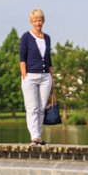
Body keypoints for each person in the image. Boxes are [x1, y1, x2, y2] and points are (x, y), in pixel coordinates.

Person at [20, 9, 54, 146]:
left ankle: (38, 136)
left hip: (46, 77)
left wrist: (53, 80)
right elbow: (22, 58)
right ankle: (34, 136)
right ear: (31, 22)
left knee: (41, 108)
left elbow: (49, 60)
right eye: (35, 21)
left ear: (43, 21)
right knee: (32, 108)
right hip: (30, 76)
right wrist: (24, 75)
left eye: (40, 20)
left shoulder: (47, 38)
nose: (38, 23)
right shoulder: (26, 37)